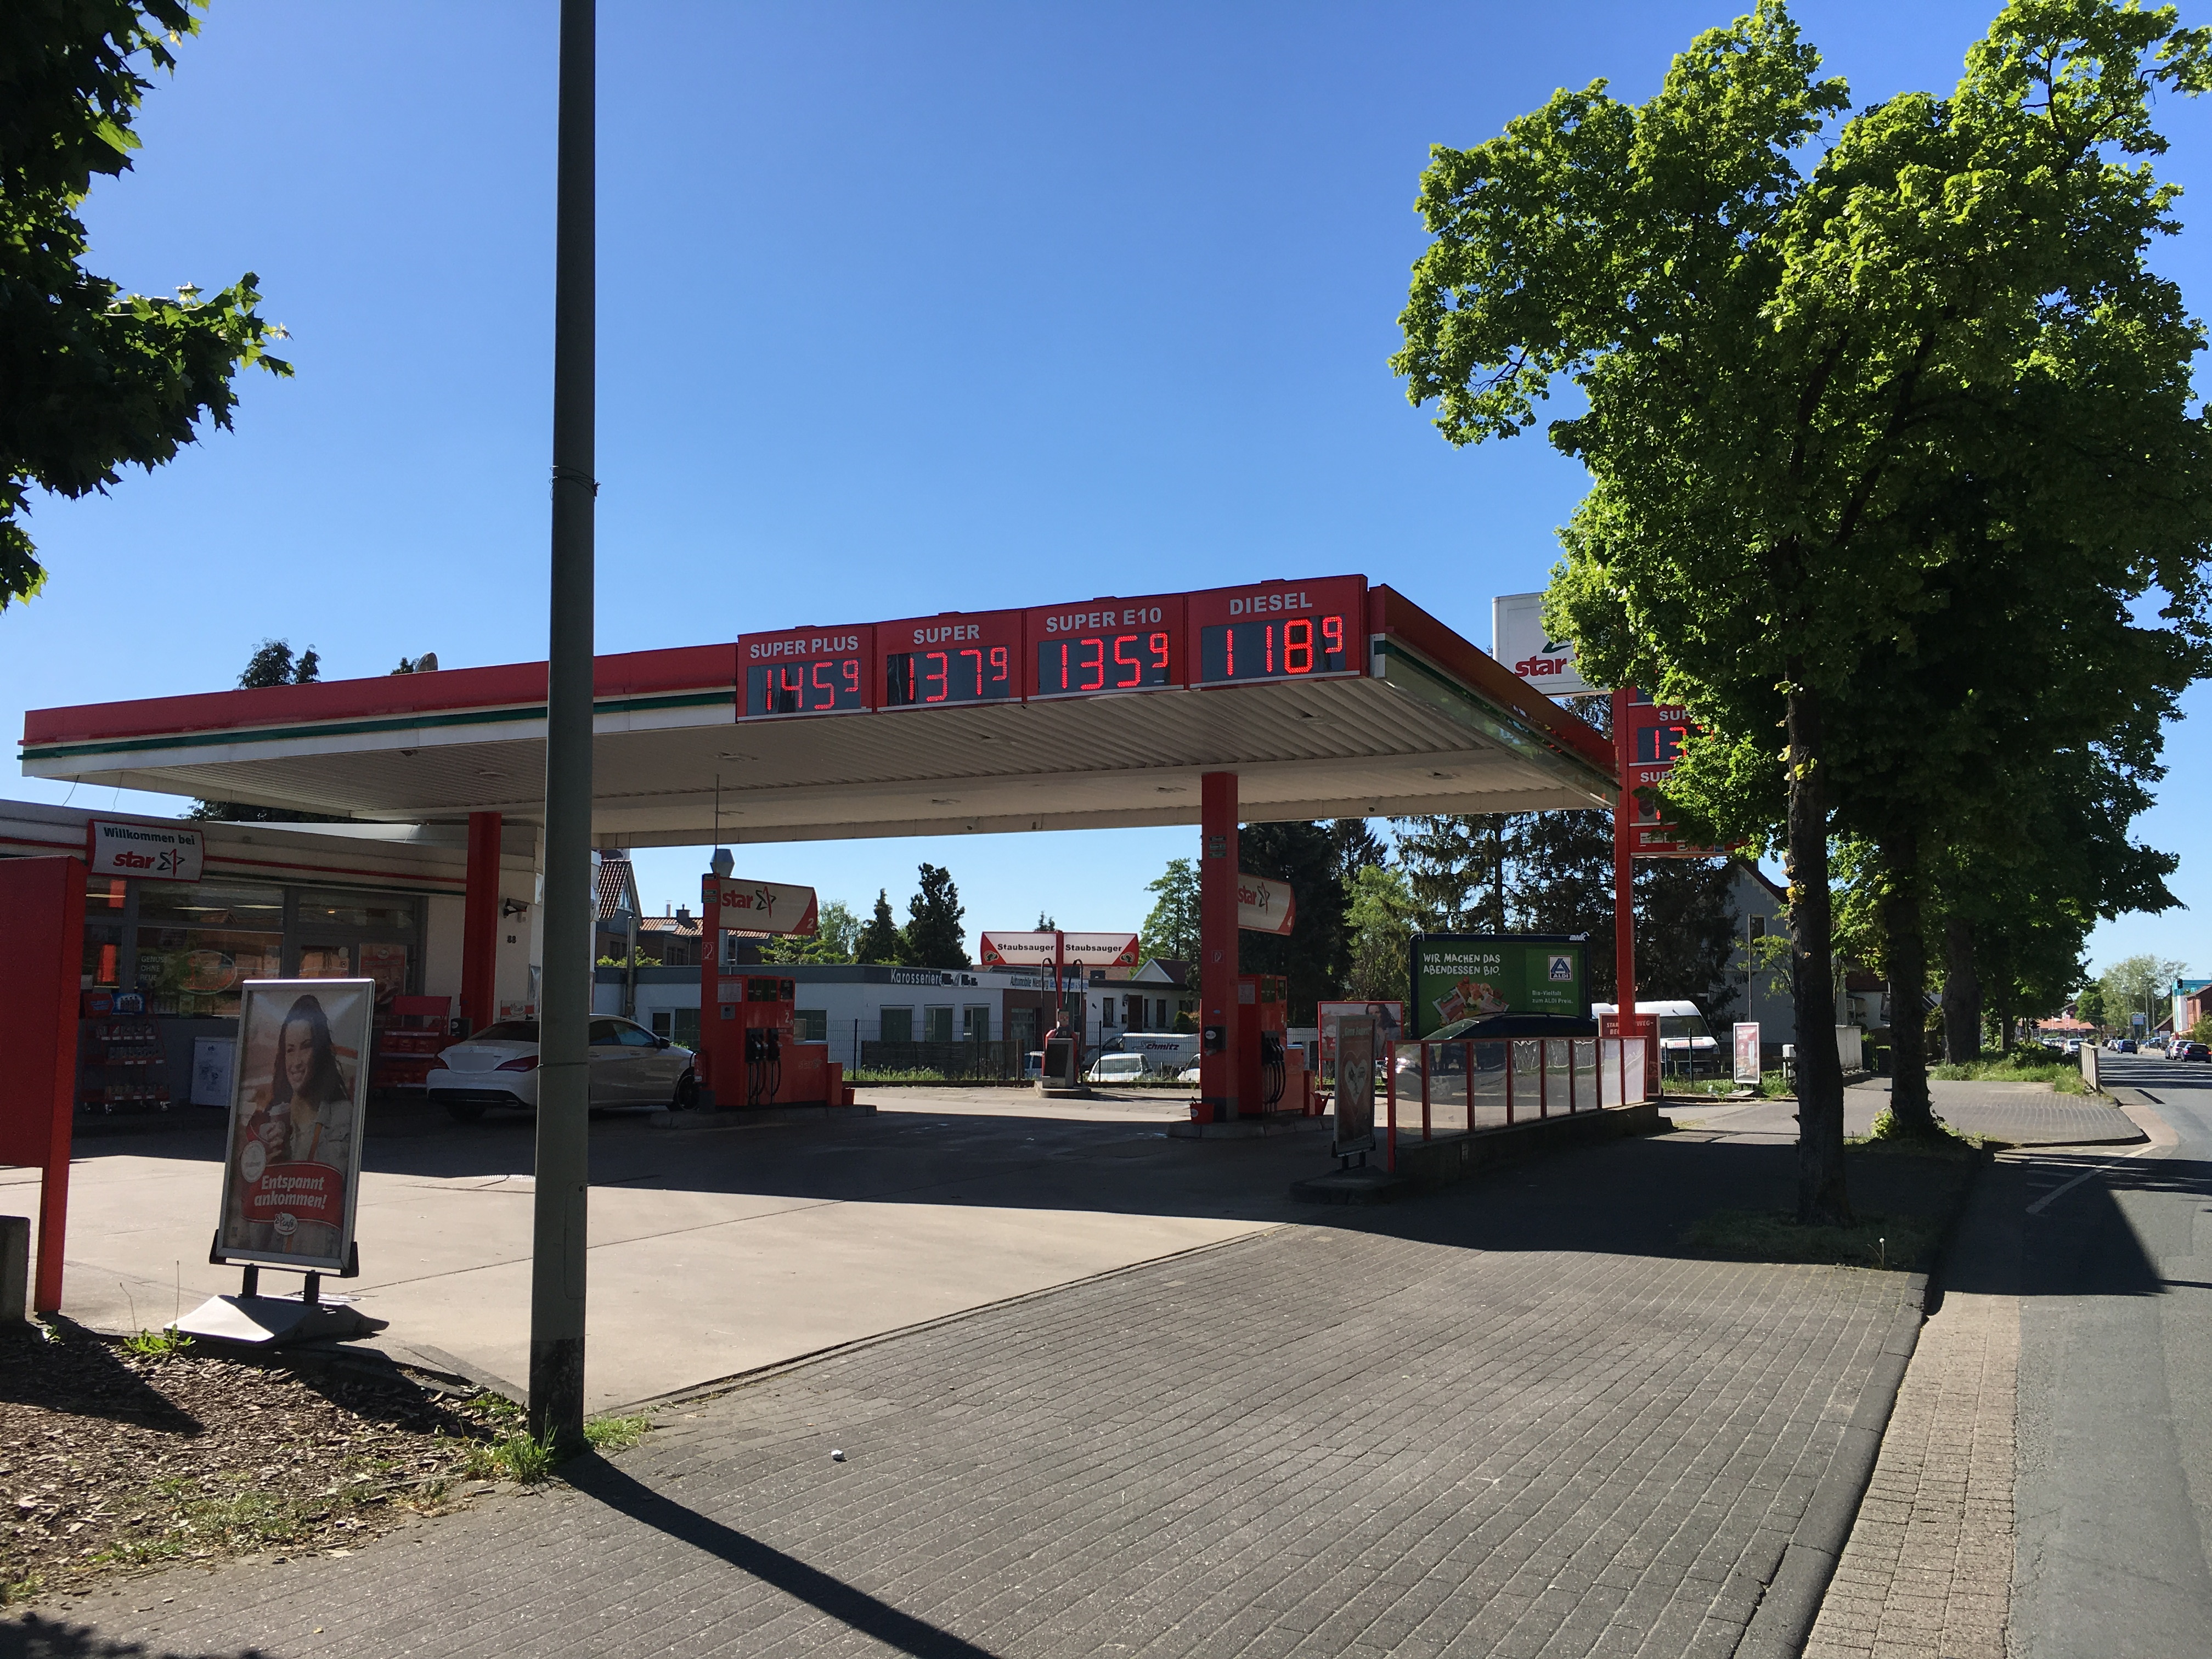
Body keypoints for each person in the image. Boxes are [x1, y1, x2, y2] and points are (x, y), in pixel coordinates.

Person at [228, 993, 357, 1259]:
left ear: (320, 1050)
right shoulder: (265, 1124)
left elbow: (341, 1196)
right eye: (290, 1049)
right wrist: (268, 1172)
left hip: (320, 1252)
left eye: (306, 1046)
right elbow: (248, 1229)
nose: (296, 1062)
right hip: (271, 1251)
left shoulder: (343, 1115)